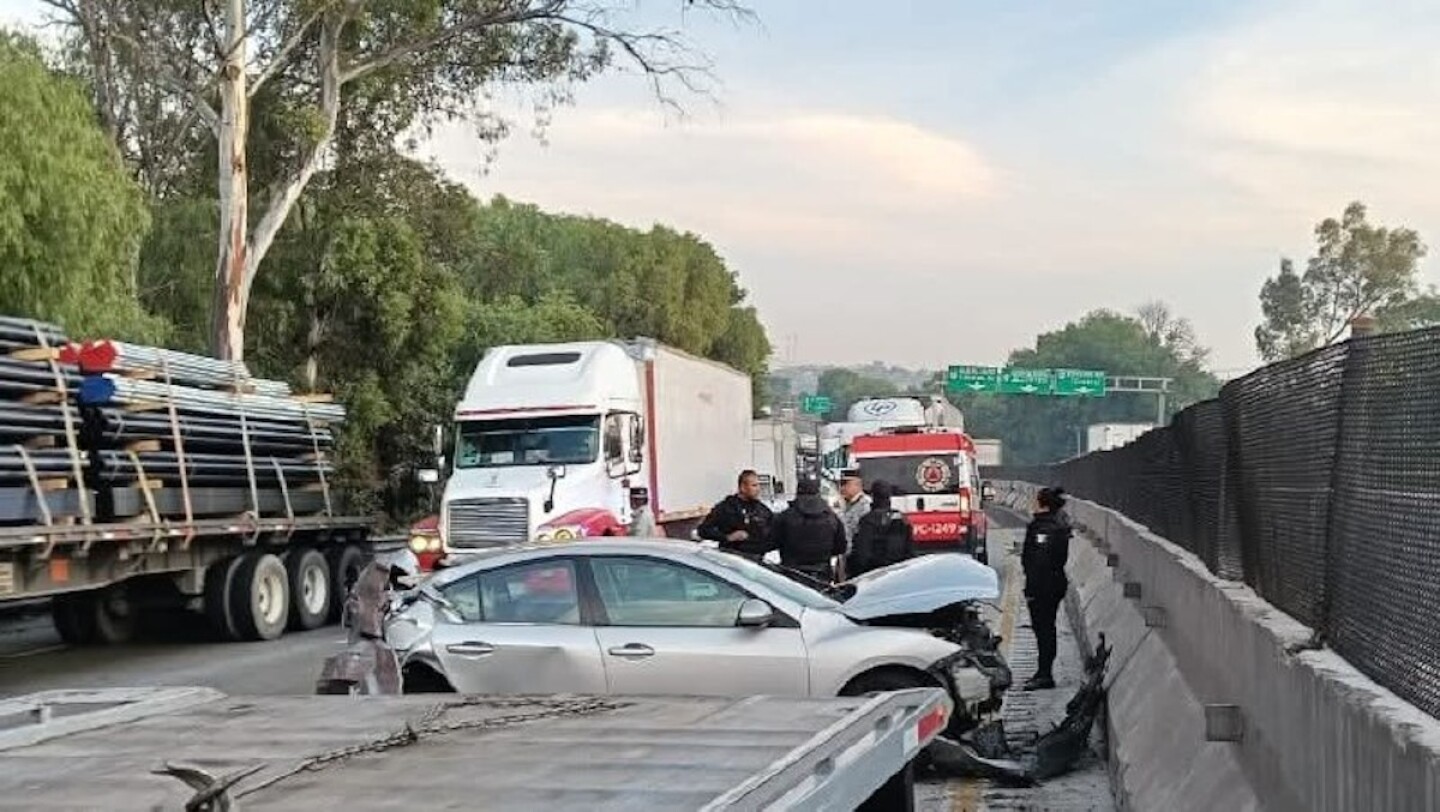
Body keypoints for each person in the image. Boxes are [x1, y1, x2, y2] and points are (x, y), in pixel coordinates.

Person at [1021, 486, 1073, 691]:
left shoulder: (1044, 528)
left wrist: (1031, 589)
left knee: (1043, 630)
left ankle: (1045, 674)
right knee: (1046, 629)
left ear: (1043, 504)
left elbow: (1039, 562)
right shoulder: (1057, 523)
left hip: (1044, 586)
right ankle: (1043, 671)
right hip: (1054, 583)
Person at [769, 478, 848, 582]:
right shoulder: (831, 518)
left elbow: (771, 541)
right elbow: (841, 547)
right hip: (822, 574)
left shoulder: (785, 517)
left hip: (792, 574)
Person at [697, 470, 774, 558]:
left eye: (759, 485)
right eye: (754, 485)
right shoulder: (726, 508)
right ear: (742, 487)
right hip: (732, 560)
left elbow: (774, 531)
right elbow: (703, 530)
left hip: (756, 560)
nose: (758, 489)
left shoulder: (762, 510)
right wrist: (727, 537)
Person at [847, 480, 915, 577]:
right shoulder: (901, 518)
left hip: (875, 573)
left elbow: (862, 553)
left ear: (873, 496)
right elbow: (910, 549)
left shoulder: (868, 520)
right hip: (899, 572)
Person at [837, 469, 872, 549]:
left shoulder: (865, 504)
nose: (841, 488)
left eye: (845, 484)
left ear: (857, 485)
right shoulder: (843, 503)